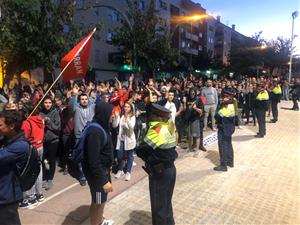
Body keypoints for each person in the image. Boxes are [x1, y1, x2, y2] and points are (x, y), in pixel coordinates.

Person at [136, 103, 177, 225]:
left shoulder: (156, 129)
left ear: (154, 116)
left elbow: (141, 150)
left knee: (158, 208)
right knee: (166, 204)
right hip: (170, 169)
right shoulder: (169, 126)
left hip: (160, 172)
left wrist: (148, 157)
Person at [82, 102, 114, 225]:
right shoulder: (94, 132)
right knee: (98, 202)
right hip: (98, 176)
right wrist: (103, 181)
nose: (113, 116)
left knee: (102, 200)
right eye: (111, 114)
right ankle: (96, 222)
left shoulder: (102, 126)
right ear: (104, 114)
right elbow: (93, 161)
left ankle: (100, 220)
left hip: (103, 172)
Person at [0, 110, 30, 225]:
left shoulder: (20, 146)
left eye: (0, 125)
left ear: (11, 126)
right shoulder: (6, 138)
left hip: (7, 196)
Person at [20, 100, 45, 208]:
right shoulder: (41, 119)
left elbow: (23, 138)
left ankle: (30, 198)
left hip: (32, 148)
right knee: (38, 170)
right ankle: (39, 194)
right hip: (40, 147)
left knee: (29, 172)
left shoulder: (27, 123)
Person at [40, 96, 61, 190]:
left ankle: (50, 179)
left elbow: (57, 127)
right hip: (42, 141)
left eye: (49, 102)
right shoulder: (40, 113)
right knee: (42, 160)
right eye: (45, 102)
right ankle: (44, 178)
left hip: (53, 140)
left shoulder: (55, 113)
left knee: (52, 160)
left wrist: (48, 122)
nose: (47, 104)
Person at [214, 90, 235, 172]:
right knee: (229, 145)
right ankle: (230, 162)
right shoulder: (232, 105)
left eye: (226, 97)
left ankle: (223, 165)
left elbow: (217, 116)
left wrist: (221, 106)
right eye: (223, 97)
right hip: (229, 128)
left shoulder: (227, 106)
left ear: (229, 97)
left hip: (224, 128)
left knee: (223, 146)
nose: (224, 99)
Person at [114, 102, 136, 181]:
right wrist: (116, 118)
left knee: (130, 156)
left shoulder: (132, 117)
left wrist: (127, 119)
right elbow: (115, 125)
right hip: (121, 140)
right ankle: (120, 170)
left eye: (128, 107)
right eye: (125, 107)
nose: (126, 108)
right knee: (120, 156)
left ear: (131, 108)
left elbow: (131, 127)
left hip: (129, 140)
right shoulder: (121, 116)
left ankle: (128, 172)